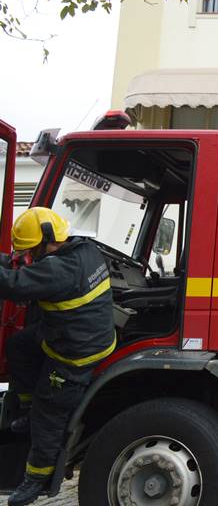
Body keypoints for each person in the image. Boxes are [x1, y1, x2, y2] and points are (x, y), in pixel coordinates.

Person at [1, 207, 115, 506]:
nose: (28, 257)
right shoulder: (84, 250)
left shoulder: (58, 270)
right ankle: (26, 409)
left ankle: (34, 479)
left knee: (48, 413)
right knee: (19, 346)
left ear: (47, 241)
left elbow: (14, 284)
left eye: (30, 251)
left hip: (73, 353)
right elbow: (19, 267)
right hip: (81, 334)